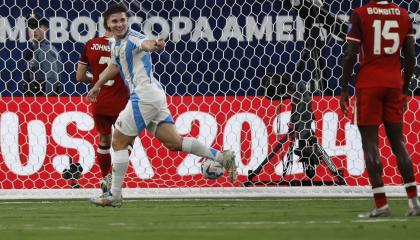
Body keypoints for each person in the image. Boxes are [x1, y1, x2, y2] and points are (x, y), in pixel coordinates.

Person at [88, 3, 237, 207]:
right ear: (107, 24)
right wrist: (97, 85)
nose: (120, 24)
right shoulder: (115, 44)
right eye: (115, 21)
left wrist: (155, 45)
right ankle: (223, 157)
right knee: (174, 142)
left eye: (123, 19)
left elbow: (146, 44)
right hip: (154, 95)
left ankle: (114, 195)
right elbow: (115, 65)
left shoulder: (134, 38)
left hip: (144, 97)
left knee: (118, 142)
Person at [341, 0, 419, 217]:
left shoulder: (360, 13)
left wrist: (344, 88)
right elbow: (411, 57)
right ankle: (414, 202)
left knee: (370, 144)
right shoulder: (404, 15)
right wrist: (404, 88)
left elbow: (350, 55)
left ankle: (382, 205)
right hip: (394, 84)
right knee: (399, 143)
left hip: (369, 84)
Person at [76, 27, 130, 194]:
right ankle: (116, 178)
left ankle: (106, 178)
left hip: (100, 100)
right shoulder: (126, 45)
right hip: (123, 101)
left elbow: (79, 77)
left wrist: (96, 79)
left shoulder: (90, 44)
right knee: (126, 141)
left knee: (104, 141)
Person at [24, 13, 62, 96]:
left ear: (45, 28)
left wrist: (46, 103)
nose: (34, 30)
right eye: (30, 26)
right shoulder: (33, 50)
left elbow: (52, 78)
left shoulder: (46, 50)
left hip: (42, 102)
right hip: (34, 100)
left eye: (38, 26)